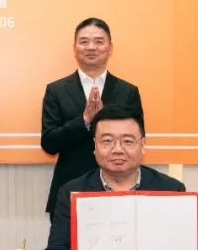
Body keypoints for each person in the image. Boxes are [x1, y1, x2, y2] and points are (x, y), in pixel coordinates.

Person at [44, 105, 198, 250]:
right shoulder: (71, 192)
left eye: (127, 141)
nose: (117, 149)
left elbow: (194, 249)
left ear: (142, 145)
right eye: (107, 141)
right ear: (95, 146)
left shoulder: (171, 189)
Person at [41, 18, 143, 219]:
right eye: (84, 41)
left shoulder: (127, 91)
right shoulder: (56, 90)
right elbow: (49, 143)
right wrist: (84, 120)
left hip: (120, 187)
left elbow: (138, 139)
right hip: (70, 186)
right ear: (75, 48)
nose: (91, 47)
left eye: (98, 41)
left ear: (110, 48)